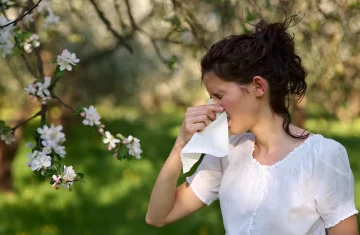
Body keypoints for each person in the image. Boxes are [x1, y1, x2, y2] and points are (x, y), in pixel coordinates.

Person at [145, 15, 359, 235]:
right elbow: (157, 216)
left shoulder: (321, 156)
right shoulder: (227, 152)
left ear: (258, 86)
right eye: (211, 97)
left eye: (219, 95)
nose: (213, 107)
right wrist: (180, 145)